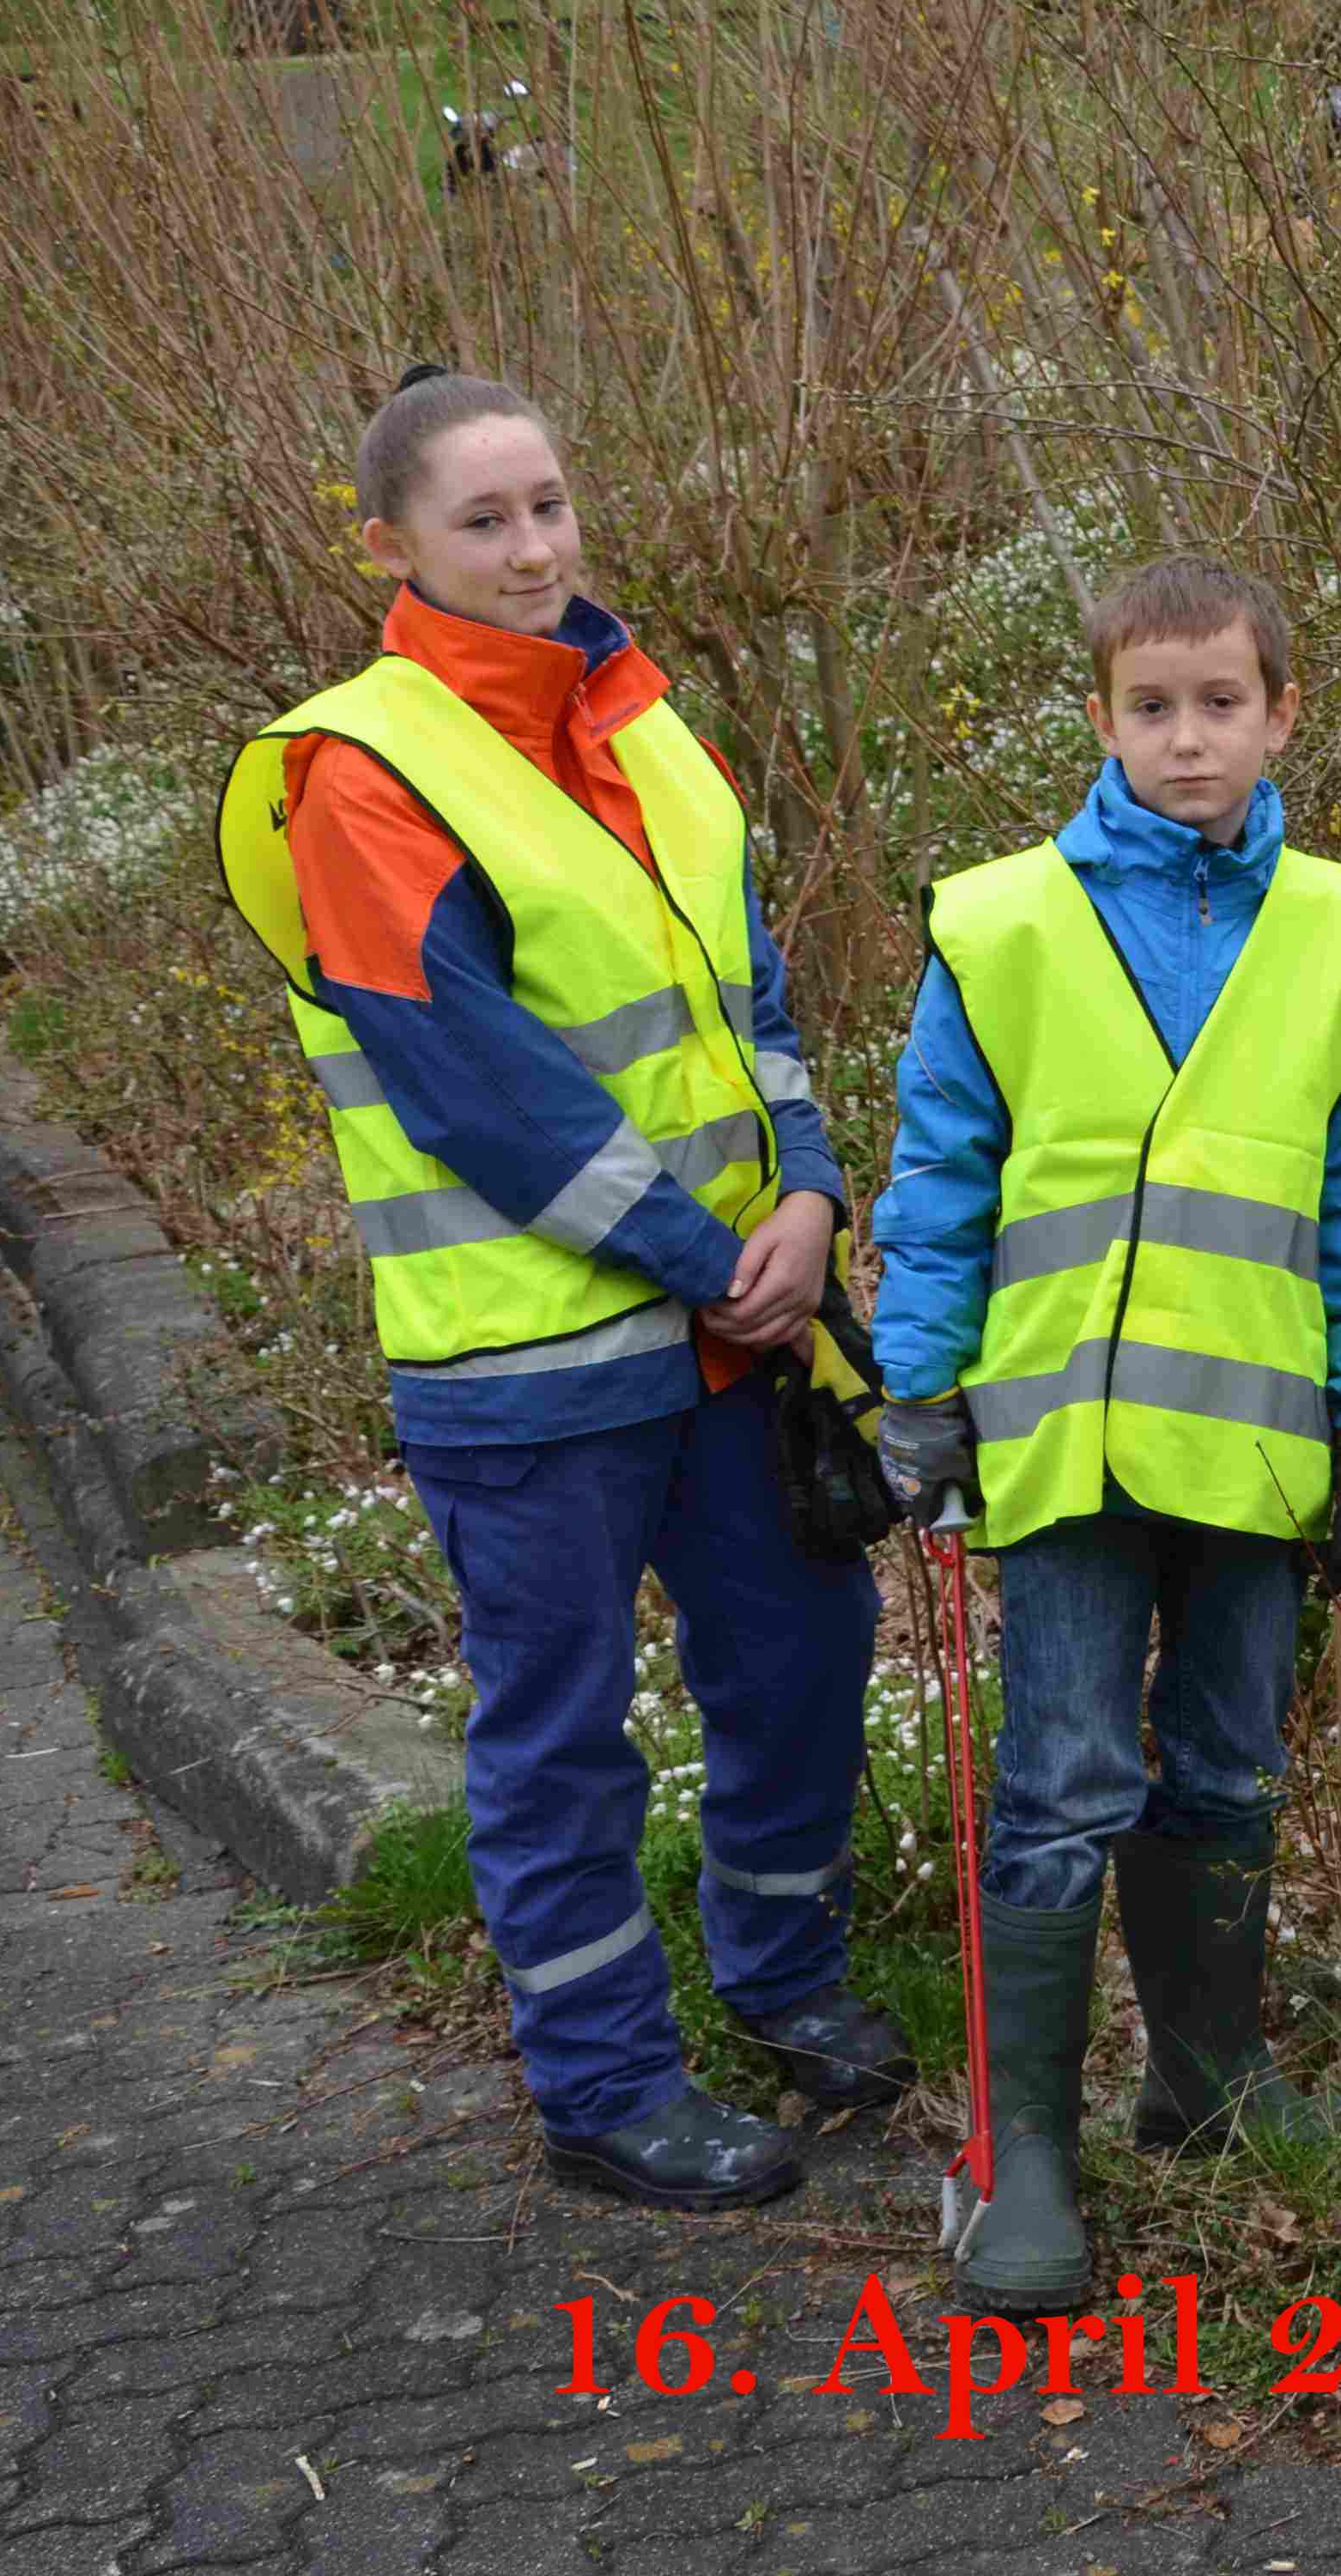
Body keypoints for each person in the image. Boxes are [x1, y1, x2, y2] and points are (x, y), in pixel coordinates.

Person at [215, 368, 906, 2212]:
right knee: (561, 1740)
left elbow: (745, 1005)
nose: (532, 549)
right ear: (386, 546)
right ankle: (604, 2090)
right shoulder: (358, 772)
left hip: (731, 1339)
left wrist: (819, 1192)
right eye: (481, 520)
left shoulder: (642, 720)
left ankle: (782, 1979)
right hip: (533, 1369)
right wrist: (715, 1259)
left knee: (801, 1666)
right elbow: (478, 1092)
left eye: (548, 505)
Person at [871, 553, 1341, 2313]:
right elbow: (944, 1181)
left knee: (1226, 1767)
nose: (1188, 740)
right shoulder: (1002, 921)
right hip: (1063, 1449)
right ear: (1100, 717)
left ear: (1282, 712)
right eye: (1151, 707)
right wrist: (917, 1386)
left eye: (1221, 705)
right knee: (1060, 1786)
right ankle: (1024, 2147)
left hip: (1259, 1450)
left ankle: (1204, 2075)